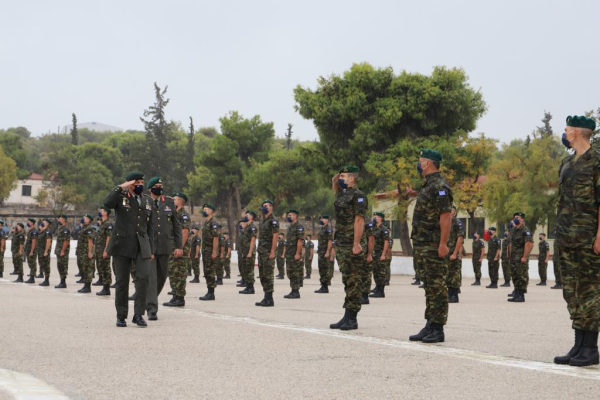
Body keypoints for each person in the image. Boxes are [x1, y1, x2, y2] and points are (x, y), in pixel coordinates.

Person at [554, 115, 600, 366]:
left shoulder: (597, 161)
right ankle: (578, 344)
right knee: (572, 293)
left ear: (578, 133)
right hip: (566, 237)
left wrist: (599, 236)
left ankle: (591, 348)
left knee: (590, 292)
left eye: (568, 129)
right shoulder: (567, 162)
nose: (565, 132)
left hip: (587, 238)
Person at [408, 150, 452, 343]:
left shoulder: (440, 186)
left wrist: (443, 243)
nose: (418, 165)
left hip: (434, 244)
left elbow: (446, 216)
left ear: (428, 163)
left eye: (420, 161)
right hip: (423, 244)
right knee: (429, 286)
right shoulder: (428, 186)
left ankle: (438, 328)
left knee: (437, 286)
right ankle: (430, 324)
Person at [104, 171, 155, 328]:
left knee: (143, 278)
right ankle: (121, 316)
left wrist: (151, 249)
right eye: (136, 183)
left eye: (141, 182)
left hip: (142, 245)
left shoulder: (147, 201)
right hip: (122, 244)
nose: (139, 185)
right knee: (122, 282)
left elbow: (150, 227)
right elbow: (107, 203)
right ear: (129, 184)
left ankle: (138, 314)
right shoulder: (120, 197)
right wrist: (120, 187)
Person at [329, 165, 367, 331]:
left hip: (352, 242)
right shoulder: (342, 194)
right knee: (347, 279)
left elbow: (359, 221)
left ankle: (352, 317)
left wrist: (356, 243)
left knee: (354, 280)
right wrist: (335, 179)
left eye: (344, 176)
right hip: (342, 242)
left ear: (352, 178)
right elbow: (335, 186)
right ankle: (347, 314)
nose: (341, 178)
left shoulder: (358, 196)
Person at [163, 192, 189, 308]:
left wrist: (180, 247)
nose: (172, 201)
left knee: (179, 272)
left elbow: (184, 232)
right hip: (172, 247)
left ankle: (179, 297)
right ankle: (175, 295)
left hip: (178, 248)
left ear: (180, 201)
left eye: (174, 199)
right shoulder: (175, 213)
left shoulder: (183, 215)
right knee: (173, 272)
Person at [256, 200, 279, 306]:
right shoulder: (264, 220)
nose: (263, 207)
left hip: (268, 252)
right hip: (262, 252)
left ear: (271, 208)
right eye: (263, 206)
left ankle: (270, 299)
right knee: (262, 275)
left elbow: (275, 236)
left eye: (266, 206)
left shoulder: (273, 221)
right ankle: (266, 297)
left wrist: (273, 251)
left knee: (268, 275)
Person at [507, 212, 533, 303]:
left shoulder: (525, 230)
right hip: (513, 257)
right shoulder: (514, 230)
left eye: (517, 217)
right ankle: (516, 293)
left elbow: (528, 244)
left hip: (521, 256)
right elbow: (510, 243)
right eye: (514, 217)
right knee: (514, 275)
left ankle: (521, 295)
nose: (515, 219)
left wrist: (525, 256)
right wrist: (509, 255)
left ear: (522, 219)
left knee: (521, 275)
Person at [199, 204, 219, 301]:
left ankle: (211, 293)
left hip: (210, 250)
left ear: (212, 211)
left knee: (210, 271)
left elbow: (215, 237)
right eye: (204, 209)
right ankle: (209, 291)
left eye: (207, 209)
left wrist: (214, 251)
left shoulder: (213, 222)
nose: (204, 210)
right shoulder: (207, 222)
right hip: (206, 250)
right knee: (207, 270)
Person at [284, 210, 304, 299]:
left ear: (295, 216)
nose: (288, 217)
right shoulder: (290, 227)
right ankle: (293, 290)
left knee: (294, 272)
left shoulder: (299, 227)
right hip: (289, 253)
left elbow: (300, 241)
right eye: (288, 215)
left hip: (294, 253)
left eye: (290, 215)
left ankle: (296, 291)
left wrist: (297, 253)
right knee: (290, 272)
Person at [369, 212, 390, 299]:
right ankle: (377, 289)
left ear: (381, 218)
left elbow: (386, 242)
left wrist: (383, 254)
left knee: (381, 272)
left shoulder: (383, 229)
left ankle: (381, 291)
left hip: (380, 253)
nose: (375, 218)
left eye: (377, 217)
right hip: (374, 253)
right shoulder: (373, 228)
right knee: (376, 272)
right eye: (374, 217)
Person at [447, 205, 465, 303]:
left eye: (451, 210)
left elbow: (460, 238)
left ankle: (454, 295)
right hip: (446, 253)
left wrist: (455, 253)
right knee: (447, 274)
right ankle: (449, 294)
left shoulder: (457, 222)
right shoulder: (446, 222)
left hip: (453, 253)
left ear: (454, 212)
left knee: (454, 274)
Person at [95, 207, 114, 296]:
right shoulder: (102, 224)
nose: (100, 212)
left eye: (102, 211)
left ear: (106, 213)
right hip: (99, 250)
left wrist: (106, 250)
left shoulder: (108, 224)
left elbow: (108, 238)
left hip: (104, 250)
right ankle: (104, 287)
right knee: (101, 268)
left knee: (106, 268)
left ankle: (106, 288)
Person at [239, 210, 257, 295]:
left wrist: (250, 252)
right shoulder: (246, 227)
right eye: (246, 214)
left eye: (248, 215)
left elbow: (253, 240)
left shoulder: (252, 227)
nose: (246, 216)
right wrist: (243, 252)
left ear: (252, 217)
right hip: (245, 251)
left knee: (249, 270)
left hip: (250, 251)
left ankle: (251, 288)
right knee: (246, 269)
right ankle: (247, 286)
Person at [77, 214, 96, 293]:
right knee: (84, 268)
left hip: (86, 251)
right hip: (82, 251)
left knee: (88, 269)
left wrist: (90, 252)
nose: (83, 219)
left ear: (89, 220)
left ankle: (87, 287)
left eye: (85, 218)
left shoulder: (89, 228)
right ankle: (85, 285)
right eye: (83, 218)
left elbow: (90, 241)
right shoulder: (84, 228)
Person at [315, 215, 333, 293]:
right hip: (321, 252)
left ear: (327, 220)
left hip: (325, 252)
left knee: (325, 269)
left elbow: (330, 241)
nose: (321, 220)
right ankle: (323, 285)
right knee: (321, 268)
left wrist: (328, 252)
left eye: (323, 219)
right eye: (321, 219)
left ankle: (325, 286)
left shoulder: (328, 229)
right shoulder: (322, 228)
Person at [54, 215, 71, 289]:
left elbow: (66, 240)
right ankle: (61, 281)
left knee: (63, 266)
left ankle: (63, 282)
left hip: (62, 251)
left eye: (60, 219)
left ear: (64, 220)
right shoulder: (61, 229)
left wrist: (62, 251)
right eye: (59, 219)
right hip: (59, 250)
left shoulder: (66, 229)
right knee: (60, 266)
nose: (59, 220)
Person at [36, 219, 52, 286]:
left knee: (46, 266)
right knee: (42, 265)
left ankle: (47, 280)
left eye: (45, 222)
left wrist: (46, 251)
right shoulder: (42, 231)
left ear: (47, 224)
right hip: (40, 251)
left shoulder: (47, 231)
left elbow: (48, 241)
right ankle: (45, 279)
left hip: (44, 252)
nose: (43, 222)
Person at [23, 218, 38, 284]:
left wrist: (32, 251)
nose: (28, 223)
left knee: (32, 264)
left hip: (31, 250)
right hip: (28, 249)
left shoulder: (34, 231)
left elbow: (34, 241)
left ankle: (32, 278)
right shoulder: (30, 230)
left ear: (32, 223)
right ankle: (31, 276)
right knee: (30, 263)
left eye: (29, 222)